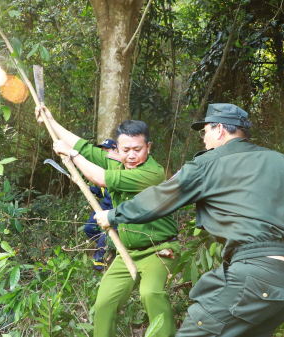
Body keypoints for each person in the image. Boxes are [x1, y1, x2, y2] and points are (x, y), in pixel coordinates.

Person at [95, 103, 284, 336]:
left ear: (219, 129)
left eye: (205, 130)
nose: (203, 138)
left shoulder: (208, 163)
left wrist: (113, 215)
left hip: (253, 275)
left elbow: (160, 198)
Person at [35, 105, 179, 337]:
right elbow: (83, 146)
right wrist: (51, 121)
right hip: (127, 252)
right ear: (118, 148)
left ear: (149, 148)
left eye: (138, 149)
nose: (131, 155)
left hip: (158, 249)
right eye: (125, 150)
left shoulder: (152, 173)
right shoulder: (117, 159)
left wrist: (72, 155)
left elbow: (98, 177)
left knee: (150, 294)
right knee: (103, 305)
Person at [84, 139, 117, 271]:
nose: (105, 153)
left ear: (115, 150)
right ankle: (111, 246)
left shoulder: (119, 167)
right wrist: (88, 188)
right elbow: (102, 191)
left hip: (115, 207)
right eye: (103, 151)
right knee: (89, 228)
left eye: (107, 150)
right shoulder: (103, 168)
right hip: (105, 205)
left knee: (106, 233)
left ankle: (98, 263)